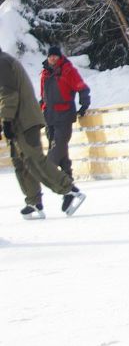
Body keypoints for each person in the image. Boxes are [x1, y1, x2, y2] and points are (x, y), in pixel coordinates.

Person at [0, 47, 86, 218]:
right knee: (20, 163)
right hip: (16, 122)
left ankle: (69, 190)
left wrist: (6, 120)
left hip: (24, 121)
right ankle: (34, 201)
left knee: (34, 159)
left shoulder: (3, 63)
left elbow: (8, 95)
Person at [40, 44, 91, 183]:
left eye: (55, 56)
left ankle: (46, 172)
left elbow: (81, 87)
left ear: (60, 56)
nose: (52, 58)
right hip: (49, 116)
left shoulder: (67, 70)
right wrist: (41, 108)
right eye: (50, 56)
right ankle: (67, 179)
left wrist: (84, 104)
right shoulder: (45, 73)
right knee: (57, 148)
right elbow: (43, 95)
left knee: (59, 146)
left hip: (64, 114)